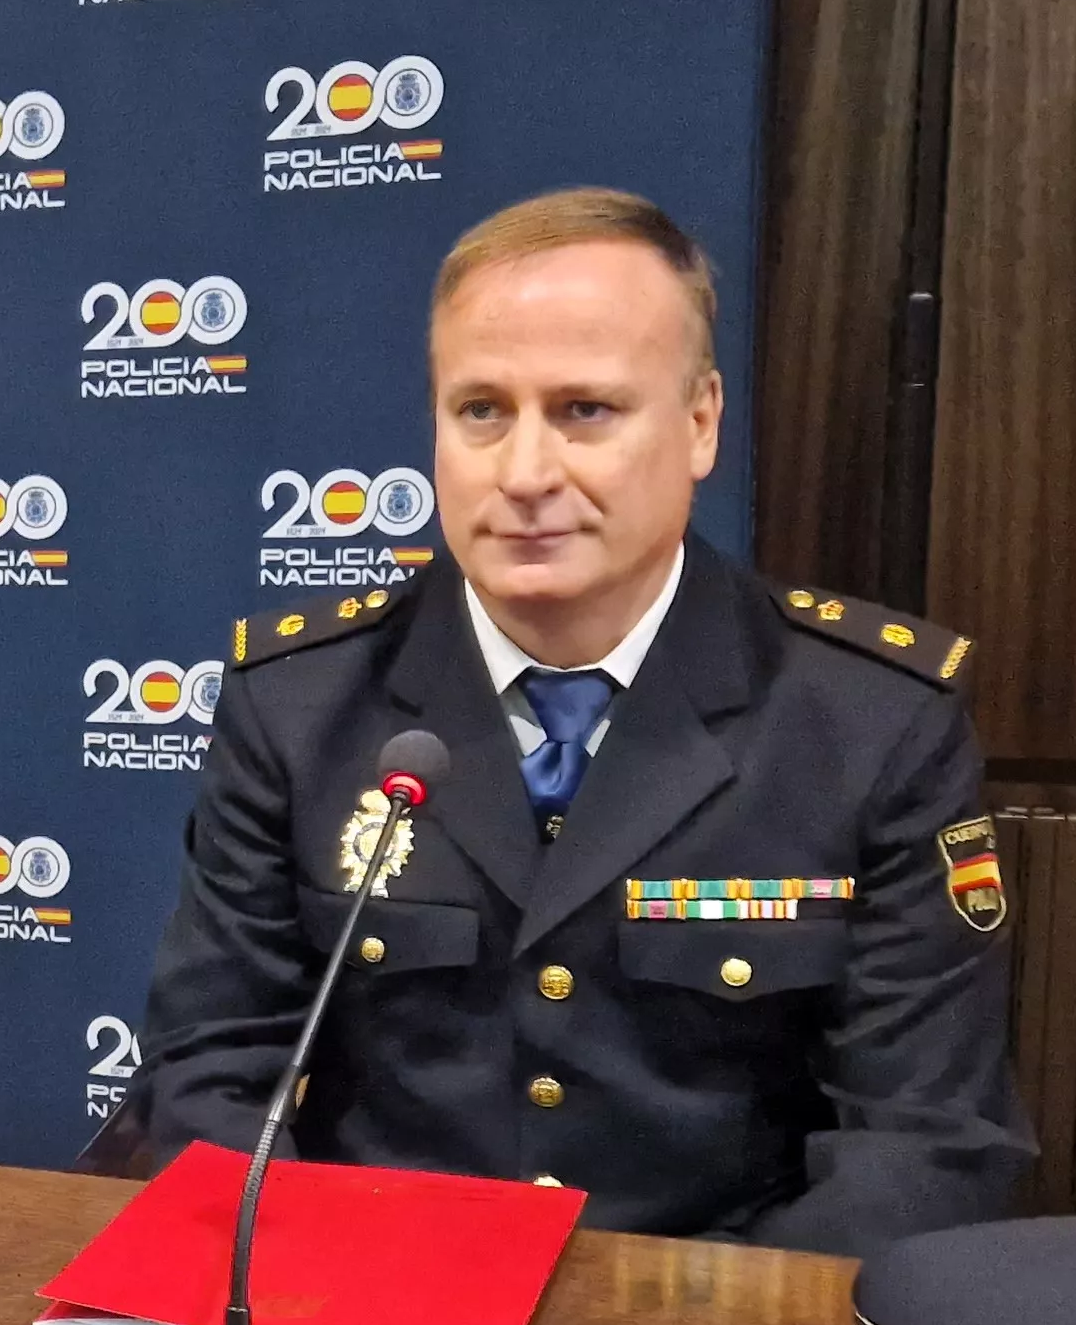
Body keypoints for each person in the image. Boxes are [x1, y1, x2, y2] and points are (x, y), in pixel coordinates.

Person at [135, 190, 1029, 1253]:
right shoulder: (298, 705)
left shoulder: (870, 724)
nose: (523, 475)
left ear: (700, 423)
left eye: (583, 412)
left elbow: (926, 1148)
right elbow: (208, 1077)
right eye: (480, 412)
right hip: (373, 1312)